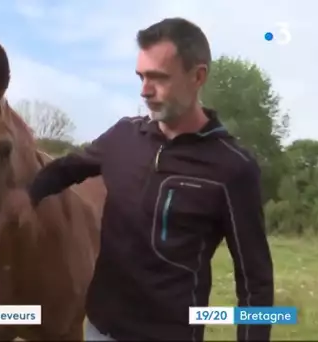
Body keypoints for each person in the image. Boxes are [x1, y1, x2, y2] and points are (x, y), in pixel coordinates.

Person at [24, 18, 274, 341]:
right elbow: (67, 168)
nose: (144, 90)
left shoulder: (233, 169)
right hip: (99, 329)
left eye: (158, 78)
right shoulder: (122, 136)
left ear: (198, 77)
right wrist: (27, 195)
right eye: (141, 77)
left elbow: (255, 281)